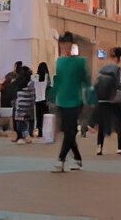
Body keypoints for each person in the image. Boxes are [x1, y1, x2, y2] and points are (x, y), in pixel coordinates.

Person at [50, 32, 88, 173]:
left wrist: (90, 98)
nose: (64, 46)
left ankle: (61, 160)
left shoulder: (80, 61)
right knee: (68, 131)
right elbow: (58, 80)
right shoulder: (59, 61)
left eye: (66, 44)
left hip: (76, 100)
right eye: (62, 44)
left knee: (70, 131)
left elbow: (86, 80)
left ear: (71, 44)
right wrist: (52, 96)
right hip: (62, 100)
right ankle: (77, 159)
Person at [93, 46, 121, 155]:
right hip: (115, 100)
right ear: (119, 57)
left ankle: (99, 147)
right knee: (119, 123)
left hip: (102, 100)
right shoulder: (118, 69)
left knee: (102, 125)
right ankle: (120, 147)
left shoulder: (103, 68)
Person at [13, 66, 36, 144]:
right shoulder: (31, 83)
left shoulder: (19, 82)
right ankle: (26, 135)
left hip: (20, 105)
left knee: (20, 122)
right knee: (25, 121)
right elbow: (33, 95)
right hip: (29, 105)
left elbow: (17, 95)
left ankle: (24, 136)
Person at [34, 62, 51, 138]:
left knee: (39, 117)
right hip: (44, 100)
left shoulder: (35, 77)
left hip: (37, 100)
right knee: (45, 117)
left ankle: (40, 133)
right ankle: (45, 132)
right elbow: (49, 85)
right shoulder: (47, 77)